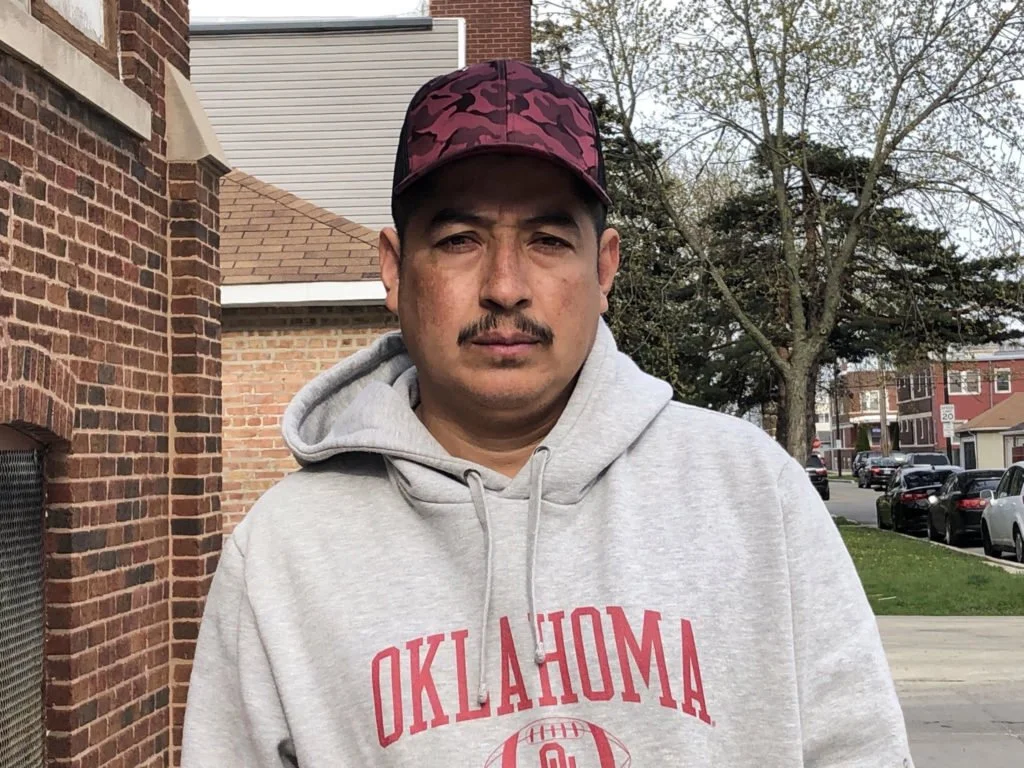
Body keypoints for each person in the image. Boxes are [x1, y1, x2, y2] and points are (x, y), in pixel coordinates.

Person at [181, 60, 913, 767]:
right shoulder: (284, 554)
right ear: (394, 271)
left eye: (548, 240)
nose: (506, 286)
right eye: (460, 240)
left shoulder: (753, 496)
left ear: (604, 270)